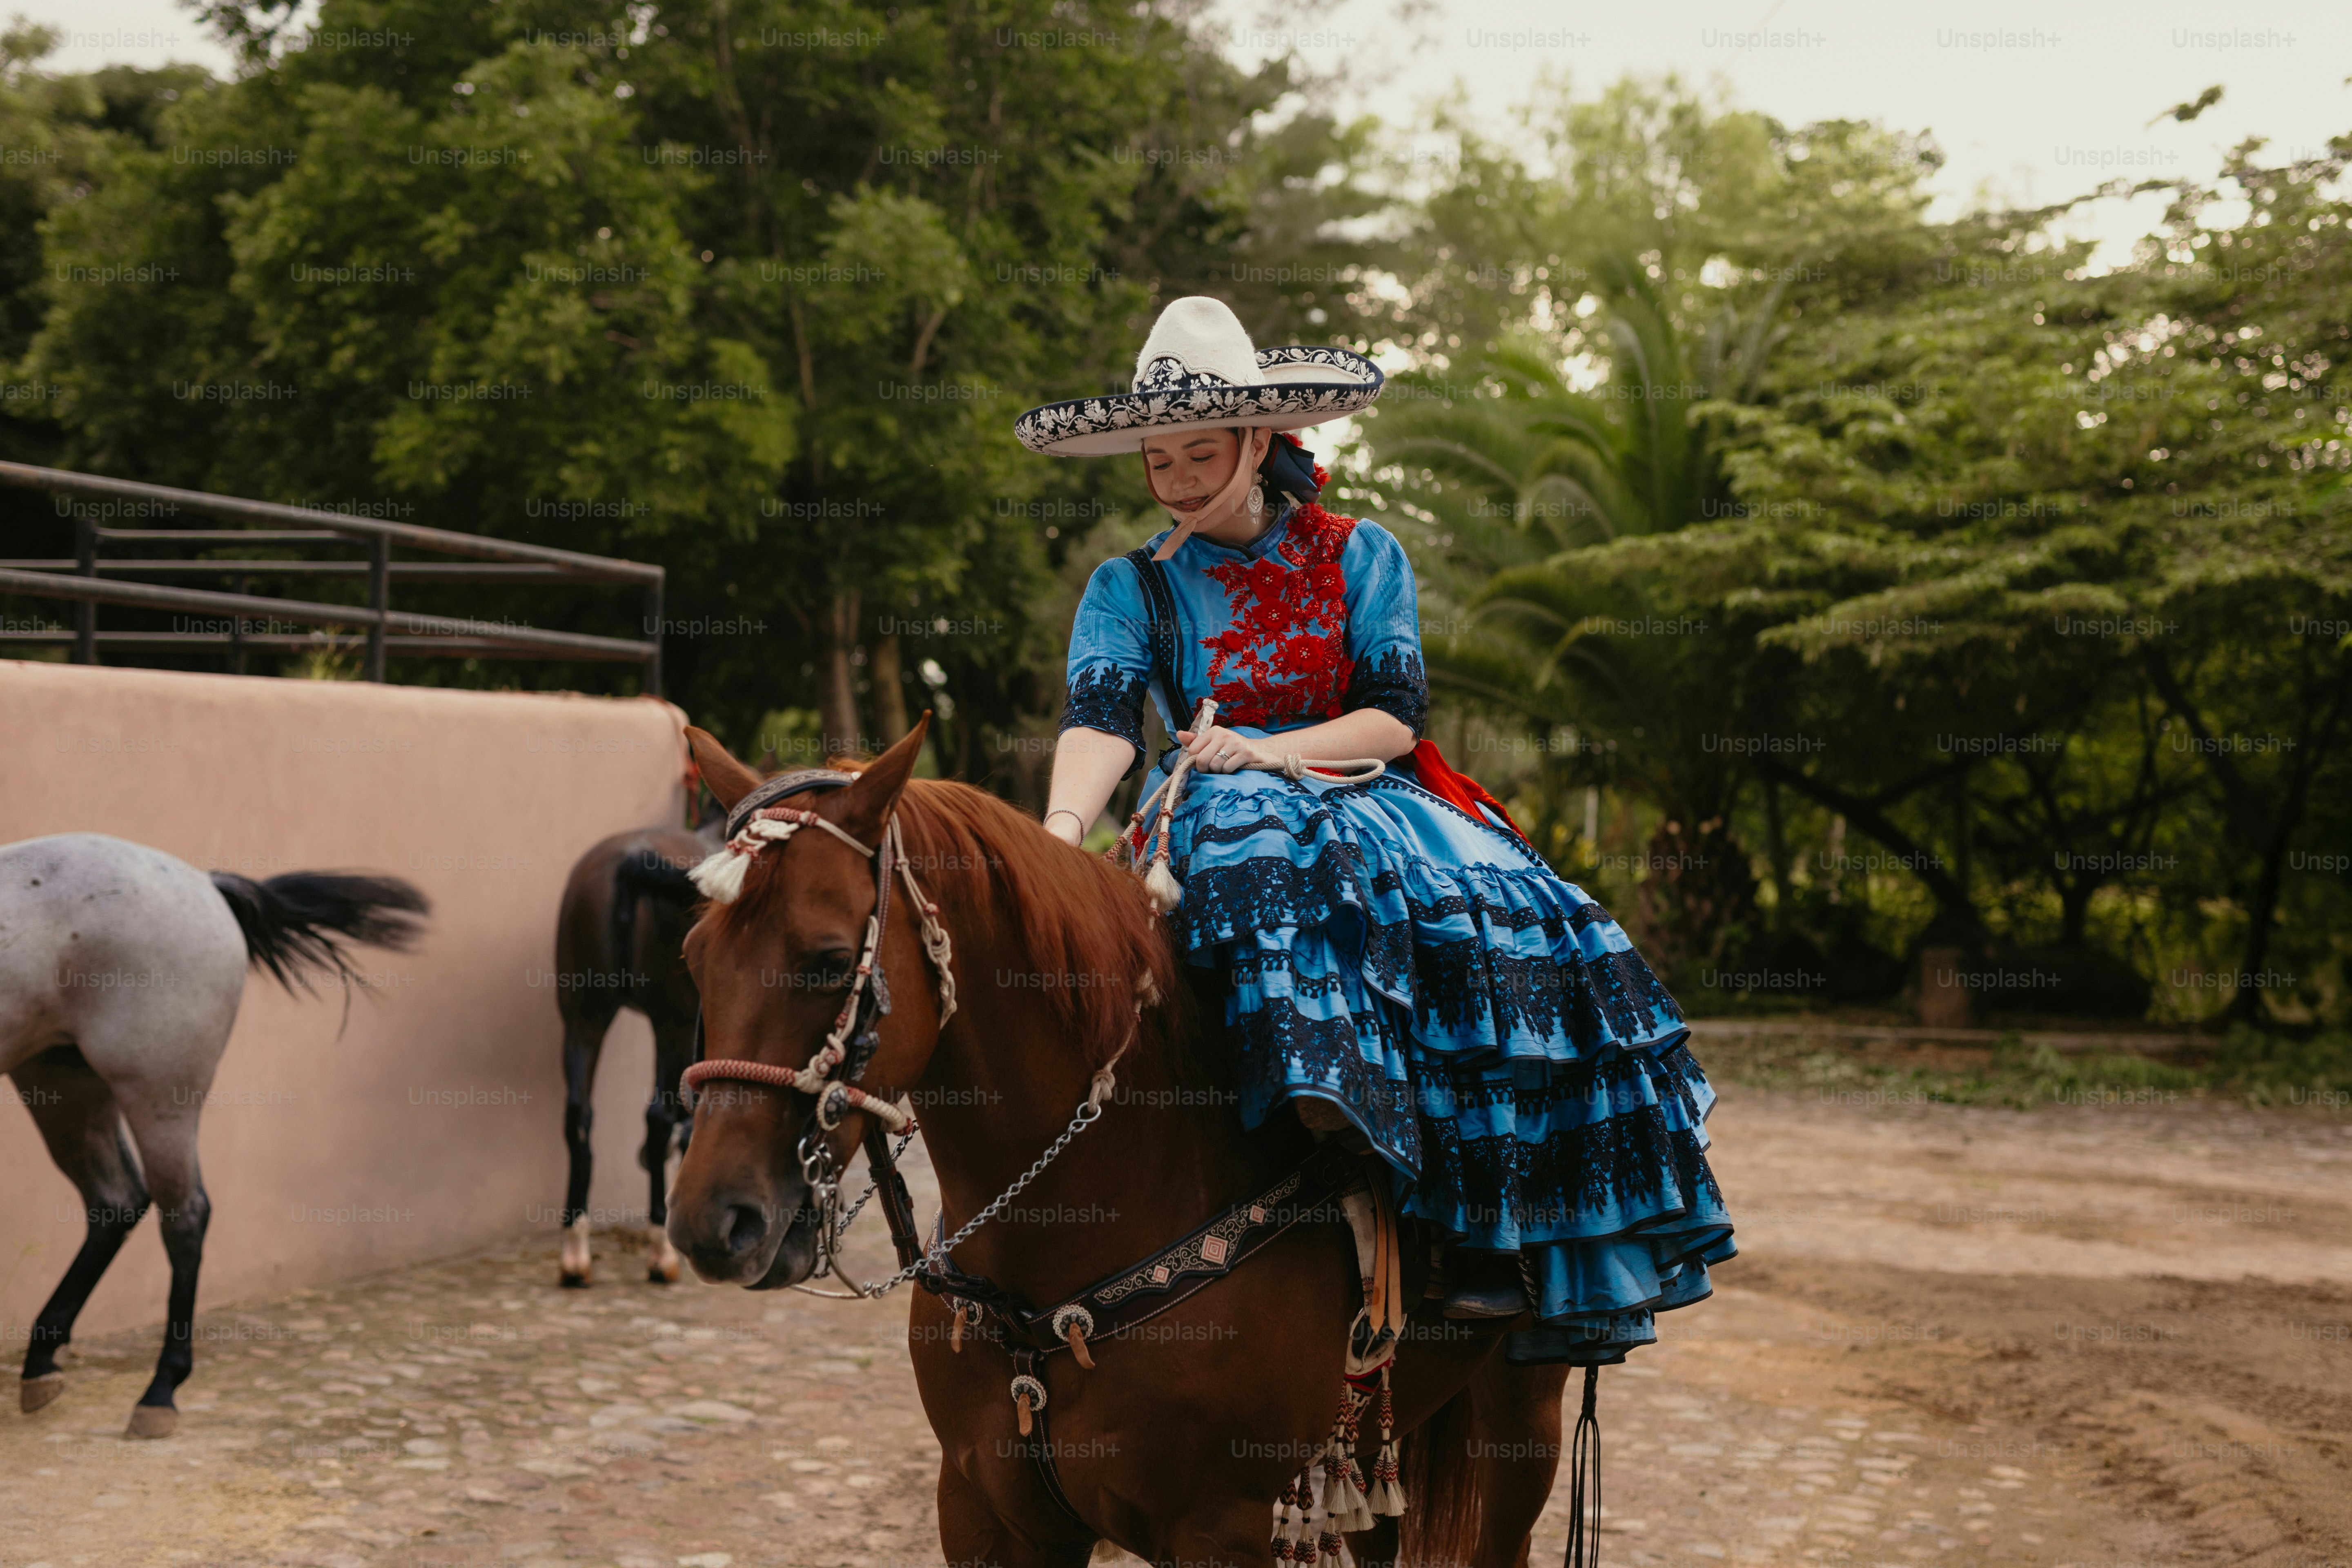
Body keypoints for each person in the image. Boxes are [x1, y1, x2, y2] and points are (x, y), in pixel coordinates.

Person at [1015, 296, 1733, 1363]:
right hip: (1206, 808)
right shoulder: (1133, 586)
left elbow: (1395, 719)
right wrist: (1059, 835)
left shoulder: (1362, 554)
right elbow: (1102, 722)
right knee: (1246, 849)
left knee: (1531, 910)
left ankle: (1488, 1224)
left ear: (1259, 441)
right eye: (1157, 462)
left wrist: (1266, 749)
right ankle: (1301, 1121)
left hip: (1357, 788)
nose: (1173, 483)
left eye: (1197, 456)